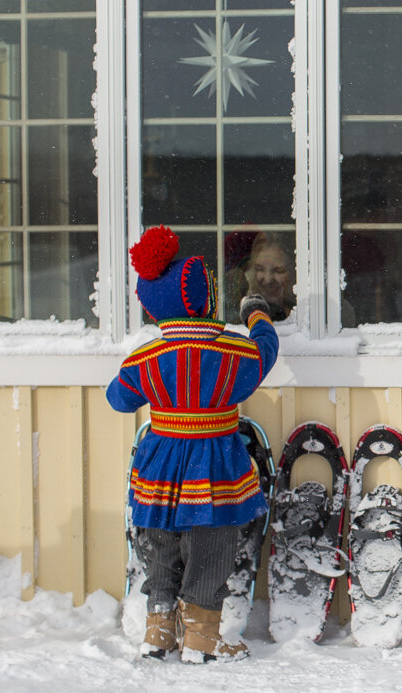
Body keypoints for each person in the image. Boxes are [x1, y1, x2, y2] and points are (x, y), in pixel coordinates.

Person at [107, 225, 278, 663]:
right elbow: (265, 350)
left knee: (159, 540)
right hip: (214, 464)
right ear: (206, 302)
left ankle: (159, 629)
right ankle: (201, 638)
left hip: (161, 463)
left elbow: (118, 398)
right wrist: (257, 313)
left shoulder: (146, 358)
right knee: (211, 543)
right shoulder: (232, 354)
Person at [245, 232, 296, 322]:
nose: (268, 280)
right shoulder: (239, 323)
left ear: (293, 271)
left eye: (278, 270)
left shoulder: (304, 319)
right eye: (259, 269)